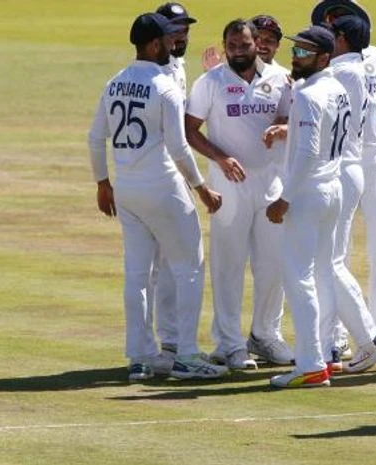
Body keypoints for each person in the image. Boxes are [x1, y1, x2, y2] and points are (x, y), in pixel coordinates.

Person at [87, 12, 228, 381]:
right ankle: (186, 355)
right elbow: (178, 148)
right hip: (164, 188)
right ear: (153, 45)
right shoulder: (164, 87)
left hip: (127, 190)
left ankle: (140, 357)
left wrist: (103, 183)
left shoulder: (114, 82)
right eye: (167, 39)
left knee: (137, 274)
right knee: (189, 268)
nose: (173, 43)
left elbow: (95, 137)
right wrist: (202, 188)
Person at [311, 0, 376, 360]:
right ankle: (336, 335)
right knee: (336, 251)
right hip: (345, 159)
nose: (334, 24)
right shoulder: (327, 62)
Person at [185, 19, 294, 370]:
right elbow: (189, 130)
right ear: (225, 46)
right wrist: (220, 157)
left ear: (256, 43)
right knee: (229, 265)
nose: (237, 52)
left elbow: (292, 118)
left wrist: (282, 126)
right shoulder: (210, 82)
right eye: (231, 46)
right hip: (228, 186)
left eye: (244, 45)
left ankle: (265, 335)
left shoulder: (281, 79)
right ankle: (229, 343)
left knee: (273, 264)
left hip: (271, 183)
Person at [263, 25, 346, 388]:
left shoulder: (310, 94)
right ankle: (323, 354)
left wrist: (285, 199)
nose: (296, 57)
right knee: (321, 274)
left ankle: (311, 364)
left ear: (324, 58)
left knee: (298, 277)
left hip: (309, 193)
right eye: (295, 50)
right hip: (331, 188)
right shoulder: (337, 88)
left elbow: (308, 153)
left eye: (304, 52)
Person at [322, 15, 376, 373]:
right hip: (349, 168)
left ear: (343, 39)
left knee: (330, 262)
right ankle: (328, 345)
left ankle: (370, 339)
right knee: (328, 261)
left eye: (331, 35)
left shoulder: (341, 72)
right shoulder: (360, 70)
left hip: (340, 169)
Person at [145, 1, 198, 376]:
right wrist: (199, 185)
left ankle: (169, 345)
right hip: (160, 178)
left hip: (172, 177)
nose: (181, 35)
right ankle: (167, 346)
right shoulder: (155, 73)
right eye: (174, 30)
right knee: (160, 265)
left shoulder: (178, 65)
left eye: (185, 29)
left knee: (169, 263)